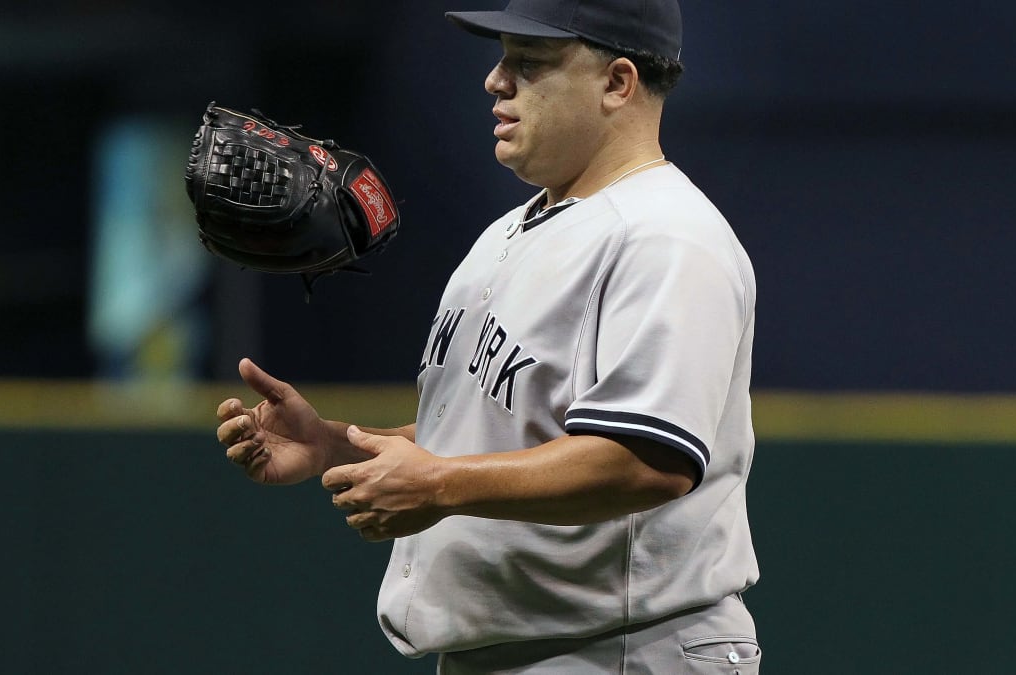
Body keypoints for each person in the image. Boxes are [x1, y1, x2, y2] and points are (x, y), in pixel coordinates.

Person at [216, 0, 761, 672]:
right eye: (503, 56)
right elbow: (502, 433)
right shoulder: (510, 231)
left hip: (621, 650)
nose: (495, 80)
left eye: (529, 63)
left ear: (617, 83)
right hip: (519, 650)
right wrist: (340, 444)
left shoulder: (667, 238)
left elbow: (647, 460)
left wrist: (439, 484)